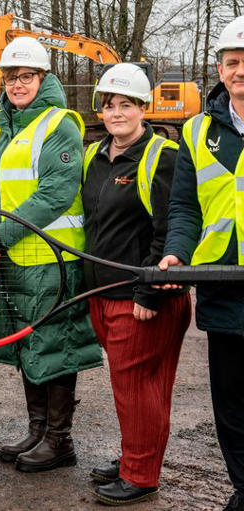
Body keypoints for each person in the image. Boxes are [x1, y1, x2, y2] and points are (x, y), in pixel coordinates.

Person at [0, 36, 101, 473]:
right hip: (7, 258)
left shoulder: (60, 123)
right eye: (11, 77)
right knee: (28, 346)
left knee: (55, 346)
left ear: (43, 78)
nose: (17, 84)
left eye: (26, 76)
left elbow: (55, 193)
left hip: (48, 259)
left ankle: (60, 441)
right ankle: (38, 430)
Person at [81, 63, 192, 505]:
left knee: (138, 388)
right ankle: (135, 458)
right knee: (139, 388)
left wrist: (150, 291)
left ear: (143, 107)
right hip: (103, 295)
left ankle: (141, 475)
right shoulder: (95, 155)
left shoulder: (160, 156)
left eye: (126, 105)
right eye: (109, 105)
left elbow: (172, 227)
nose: (116, 113)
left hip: (142, 298)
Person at [159, 16, 244, 511]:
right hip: (222, 288)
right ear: (219, 68)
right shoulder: (195, 132)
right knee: (232, 405)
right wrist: (177, 251)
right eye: (232, 63)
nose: (240, 72)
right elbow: (185, 208)